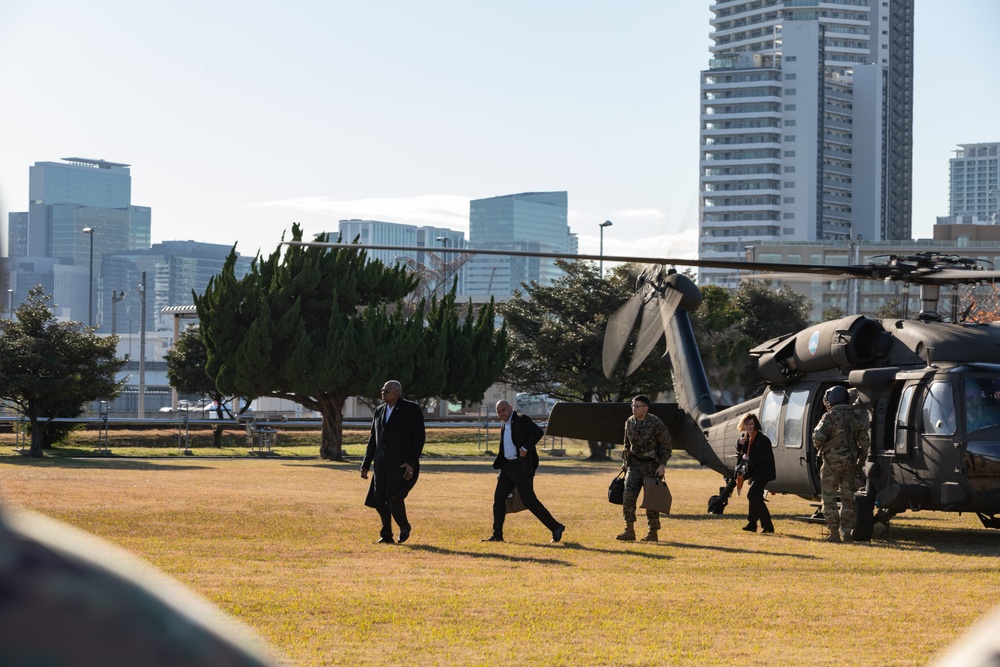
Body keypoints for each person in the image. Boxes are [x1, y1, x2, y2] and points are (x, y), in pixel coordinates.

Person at [482, 400, 565, 543]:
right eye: (499, 412)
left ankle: (556, 527)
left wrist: (525, 448)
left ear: (511, 408)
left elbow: (538, 432)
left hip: (521, 468)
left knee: (529, 501)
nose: (502, 413)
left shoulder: (522, 420)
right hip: (507, 468)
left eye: (504, 410)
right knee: (499, 500)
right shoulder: (505, 425)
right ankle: (497, 535)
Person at [361, 380, 425, 544]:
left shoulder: (411, 409)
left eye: (386, 390)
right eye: (382, 390)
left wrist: (411, 462)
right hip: (381, 464)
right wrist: (366, 464)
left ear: (396, 392)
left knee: (395, 498)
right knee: (379, 500)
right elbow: (373, 440)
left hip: (402, 464)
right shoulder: (379, 410)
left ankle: (404, 526)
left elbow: (419, 438)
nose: (382, 393)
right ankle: (386, 535)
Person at [812, 385, 871, 543]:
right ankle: (847, 532)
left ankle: (833, 532)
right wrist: (860, 459)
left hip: (831, 463)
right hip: (850, 464)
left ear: (831, 399)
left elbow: (817, 437)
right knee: (848, 499)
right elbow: (865, 442)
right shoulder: (856, 417)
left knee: (829, 497)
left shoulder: (829, 417)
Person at [617, 395, 672, 542]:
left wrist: (662, 465)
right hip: (634, 465)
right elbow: (626, 444)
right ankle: (629, 530)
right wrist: (625, 461)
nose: (633, 409)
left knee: (651, 502)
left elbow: (666, 445)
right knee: (628, 497)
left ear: (645, 408)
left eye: (637, 406)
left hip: (651, 466)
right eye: (632, 406)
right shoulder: (629, 422)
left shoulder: (656, 423)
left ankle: (652, 533)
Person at [735, 412, 776, 534]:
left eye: (751, 424)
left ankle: (764, 524)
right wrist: (738, 443)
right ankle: (754, 524)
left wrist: (749, 457)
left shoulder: (762, 440)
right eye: (746, 424)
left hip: (764, 472)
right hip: (755, 472)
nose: (749, 427)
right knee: (755, 496)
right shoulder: (745, 437)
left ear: (755, 424)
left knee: (752, 495)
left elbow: (765, 457)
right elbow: (741, 452)